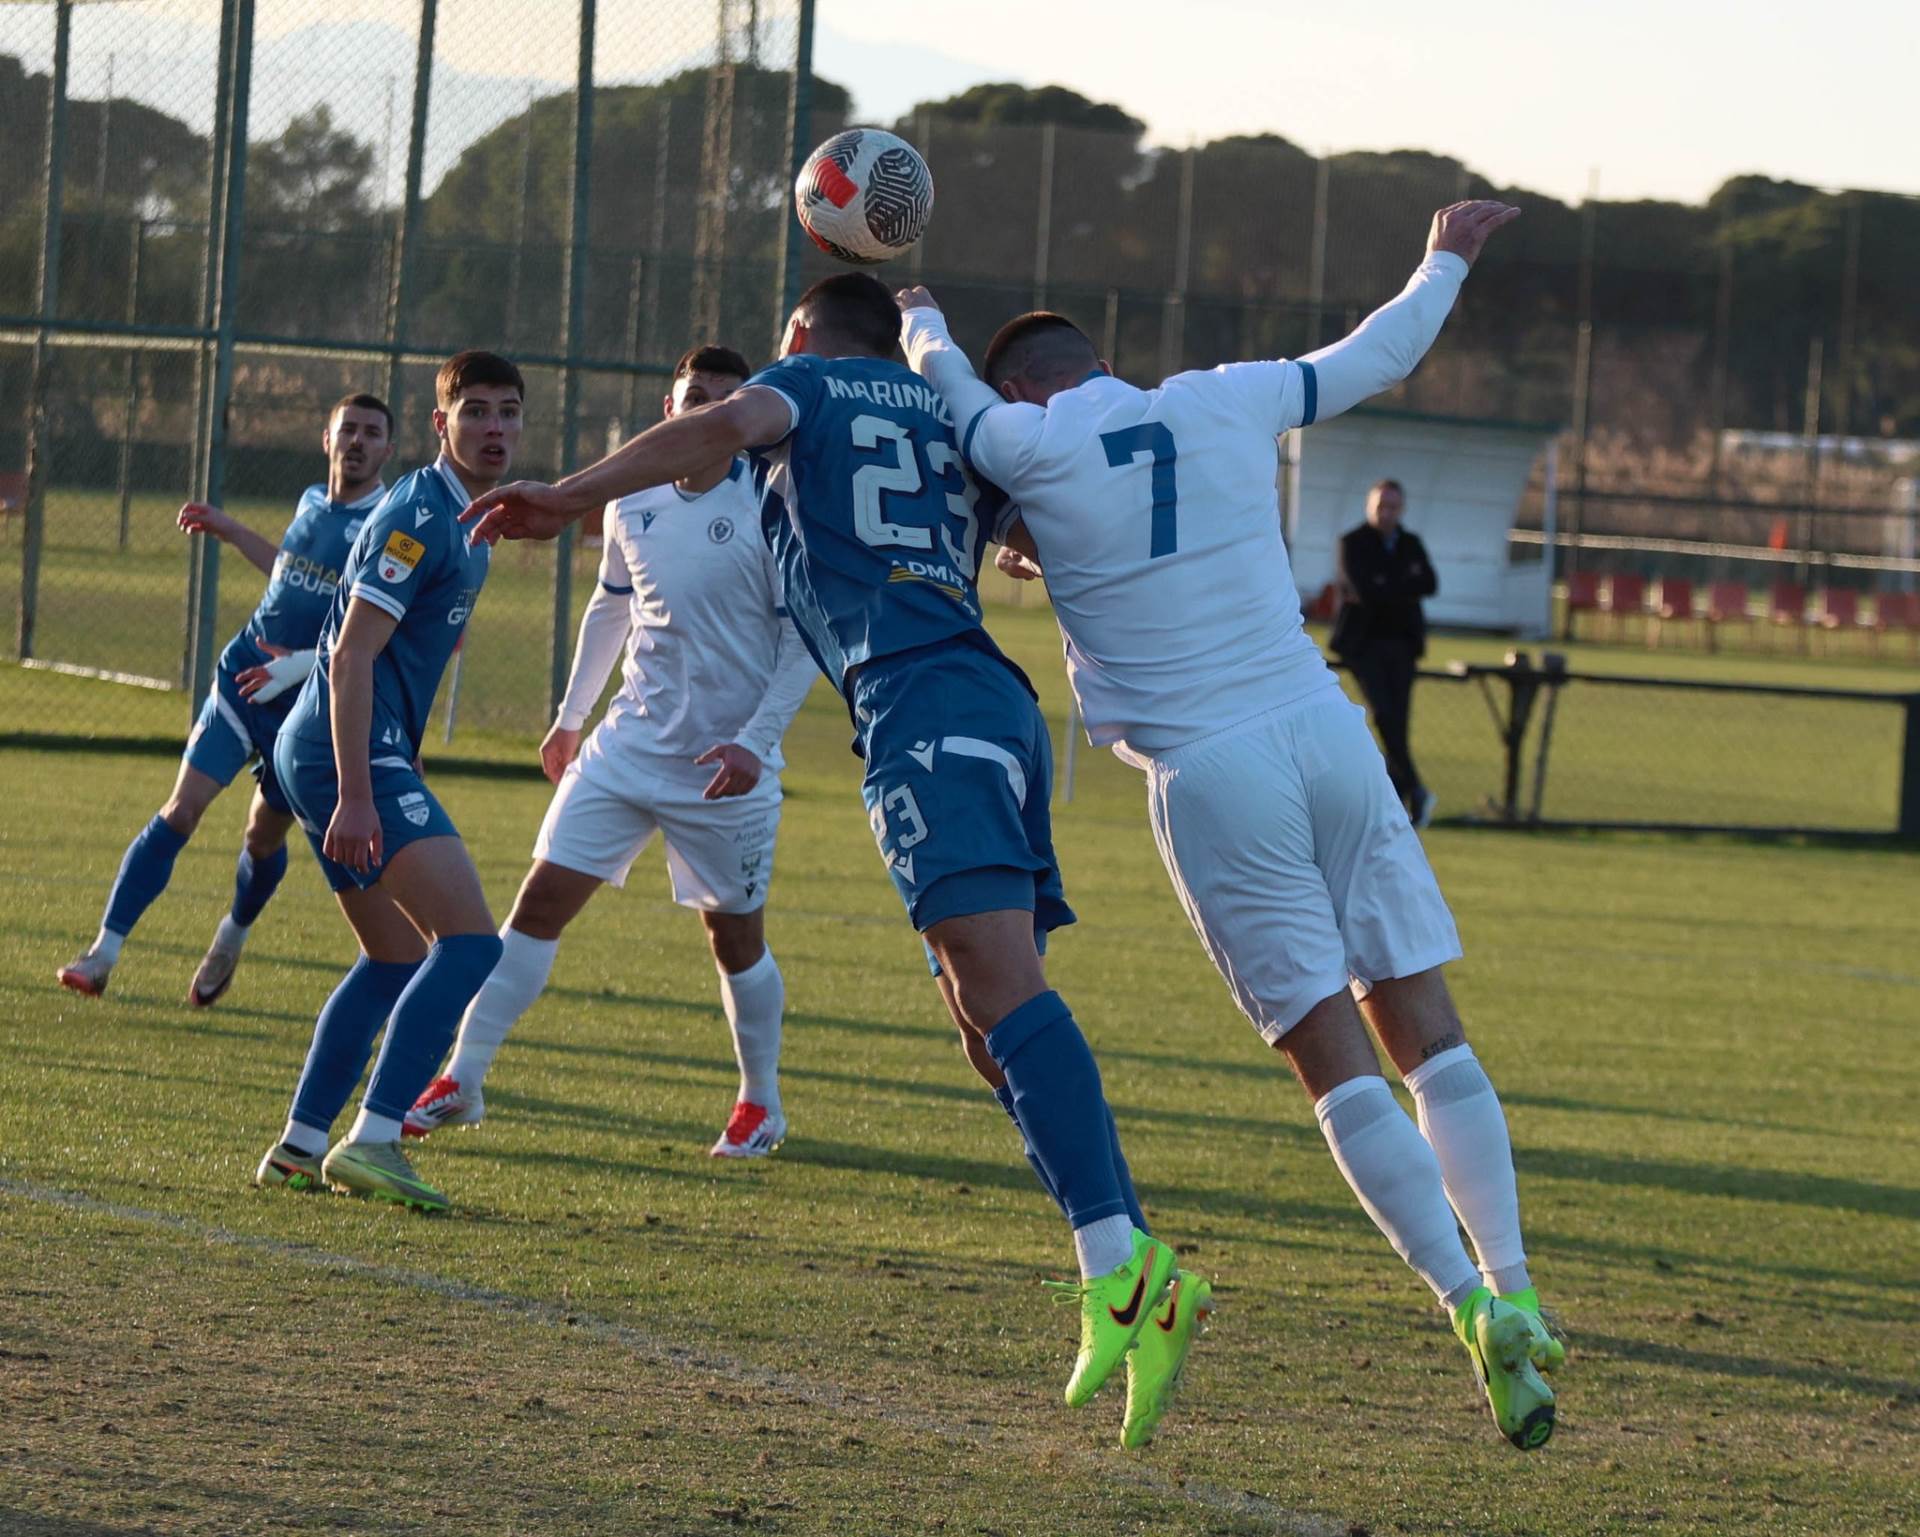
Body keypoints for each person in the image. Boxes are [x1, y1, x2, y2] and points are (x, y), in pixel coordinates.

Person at [462, 274, 1191, 1446]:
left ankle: (1119, 1262)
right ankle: (1133, 1259)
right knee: (982, 1014)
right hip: (990, 704)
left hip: (920, 698)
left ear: (799, 333)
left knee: (1001, 990)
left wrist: (566, 494)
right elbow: (1033, 524)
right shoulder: (944, 404)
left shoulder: (801, 384)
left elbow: (715, 428)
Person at [897, 200, 1567, 1452]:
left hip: (1212, 769)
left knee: (1333, 1058)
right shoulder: (1224, 395)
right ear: (1105, 362)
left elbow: (953, 396)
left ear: (1026, 388)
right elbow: (1380, 352)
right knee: (1427, 1026)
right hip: (1326, 730)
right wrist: (1446, 254)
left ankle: (1470, 1309)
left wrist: (918, 315)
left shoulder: (1024, 437)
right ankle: (1519, 1284)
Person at [403, 346, 818, 1158]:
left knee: (735, 940)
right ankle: (463, 1076)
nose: (710, 411)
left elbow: (803, 640)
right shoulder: (632, 497)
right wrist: (570, 719)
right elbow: (612, 605)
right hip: (627, 745)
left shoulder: (777, 505)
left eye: (727, 401)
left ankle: (760, 1102)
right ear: (670, 406)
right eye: (695, 396)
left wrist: (755, 742)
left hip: (724, 767)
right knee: (537, 904)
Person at [253, 350, 524, 1214]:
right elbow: (350, 655)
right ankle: (374, 1139)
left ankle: (300, 1146)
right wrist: (361, 791)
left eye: (508, 411)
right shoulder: (419, 514)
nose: (493, 427)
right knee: (472, 944)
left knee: (394, 956)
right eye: (474, 411)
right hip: (344, 754)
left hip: (344, 750)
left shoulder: (470, 521)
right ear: (441, 424)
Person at [56, 396, 395, 1004]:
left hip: (306, 709)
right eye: (349, 430)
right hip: (242, 680)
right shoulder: (311, 500)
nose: (358, 441)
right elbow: (290, 571)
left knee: (261, 838)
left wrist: (295, 666)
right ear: (327, 439)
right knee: (180, 811)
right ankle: (101, 954)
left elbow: (375, 634)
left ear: (388, 450)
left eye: (372, 433)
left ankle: (231, 935)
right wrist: (233, 530)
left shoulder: (384, 527)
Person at [1334, 478, 1438, 825]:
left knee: (1397, 723)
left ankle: (1396, 803)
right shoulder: (1353, 543)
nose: (1387, 513)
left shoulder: (1410, 543)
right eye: (1381, 506)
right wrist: (1401, 585)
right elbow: (1365, 589)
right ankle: (1416, 789)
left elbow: (1429, 583)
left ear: (1401, 509)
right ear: (1370, 506)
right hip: (1365, 645)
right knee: (1383, 716)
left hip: (1403, 645)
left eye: (1393, 507)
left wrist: (1386, 584)